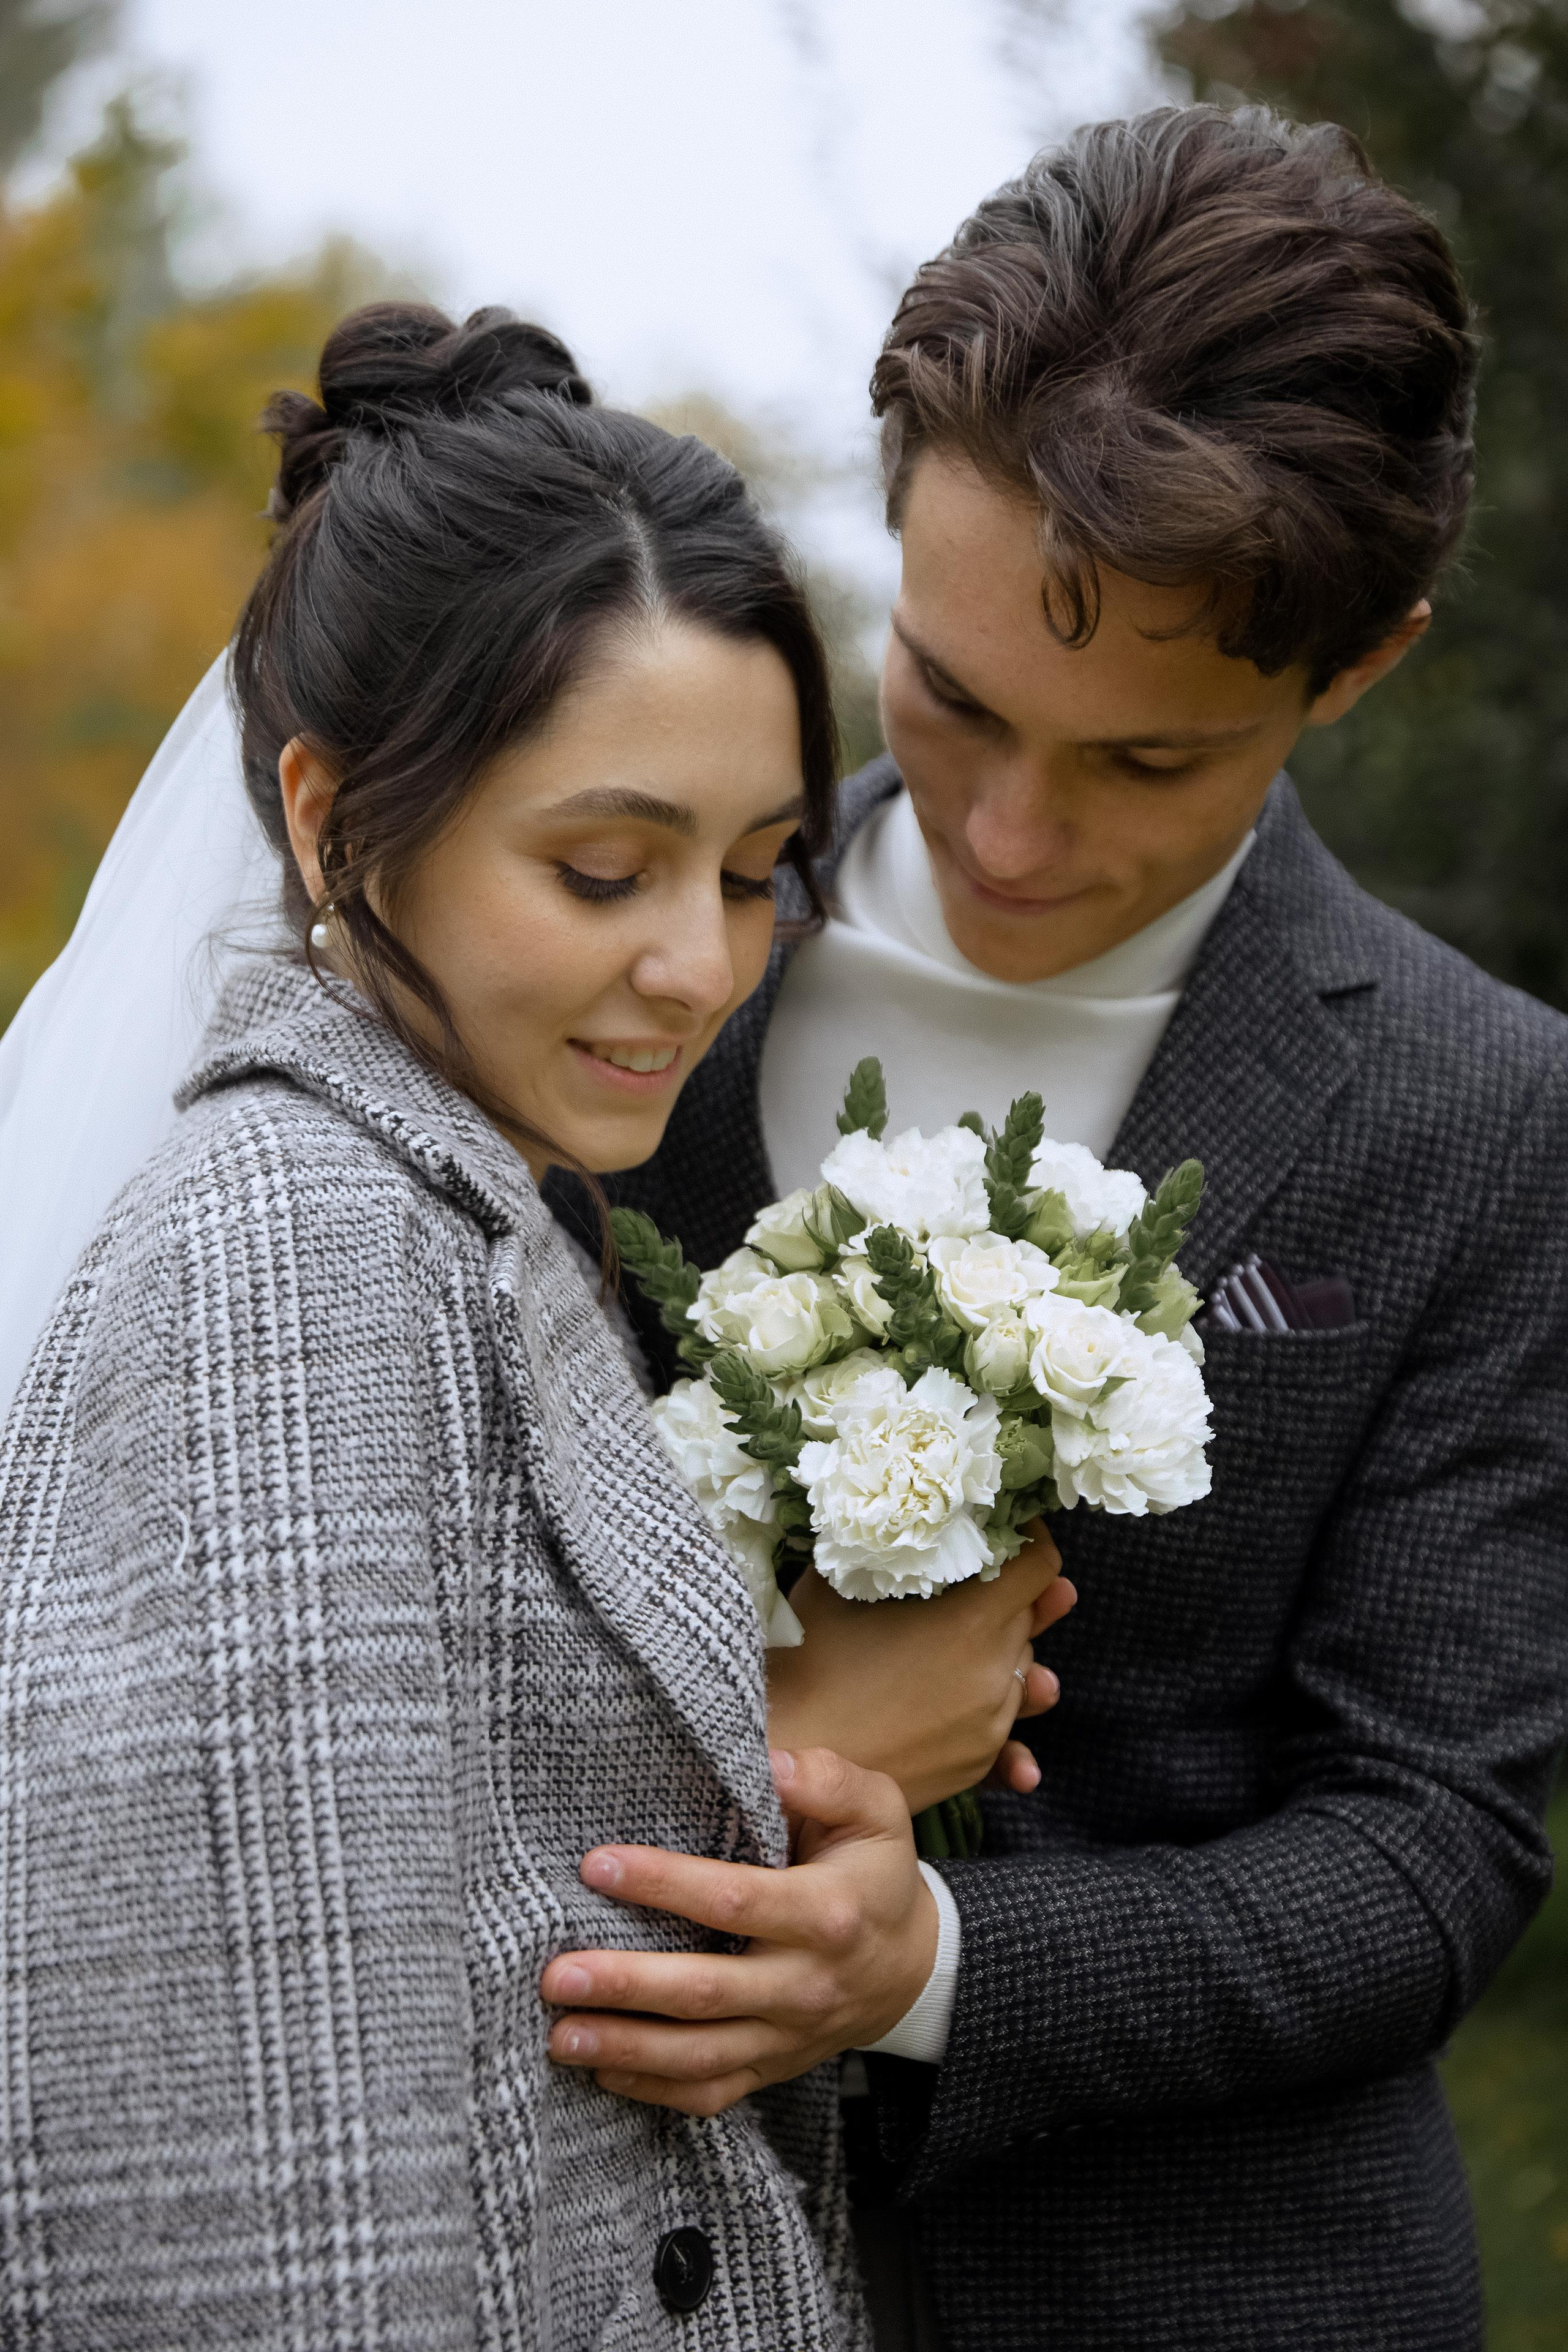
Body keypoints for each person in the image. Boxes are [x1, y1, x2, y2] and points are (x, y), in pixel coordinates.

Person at [542, 107, 1568, 2352]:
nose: (1014, 831)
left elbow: (1431, 1844)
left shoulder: (1488, 1116)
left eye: (1149, 762)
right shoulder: (604, 968)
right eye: (957, 691)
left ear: (1359, 667)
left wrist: (939, 1974)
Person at [0, 303, 1072, 2350]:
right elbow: (267, 2112)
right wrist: (815, 1756)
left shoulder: (464, 1189)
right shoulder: (287, 1251)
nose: (697, 967)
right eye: (602, 870)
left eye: (760, 874)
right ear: (330, 823)